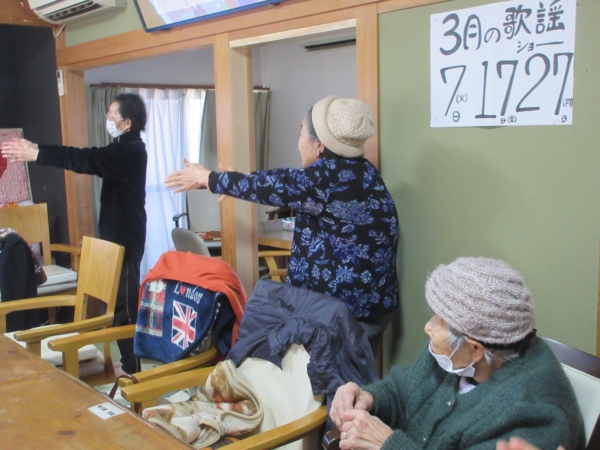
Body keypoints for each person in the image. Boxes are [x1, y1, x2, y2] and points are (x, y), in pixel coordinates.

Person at [164, 96, 399, 351]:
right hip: (371, 307)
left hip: (343, 317)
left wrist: (209, 179)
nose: (299, 141)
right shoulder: (365, 172)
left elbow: (278, 184)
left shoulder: (323, 180)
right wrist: (224, 182)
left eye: (301, 132)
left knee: (263, 334)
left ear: (319, 144)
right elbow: (277, 184)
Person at [329, 257, 585, 450]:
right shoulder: (455, 356)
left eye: (438, 322)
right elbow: (403, 391)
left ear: (475, 349)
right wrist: (370, 398)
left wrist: (388, 444)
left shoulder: (533, 418)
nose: (428, 327)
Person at [1, 93, 147, 375]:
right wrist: (37, 148)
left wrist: (38, 154)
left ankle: (134, 370)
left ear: (127, 122)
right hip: (115, 239)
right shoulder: (121, 147)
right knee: (119, 306)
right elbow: (84, 154)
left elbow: (85, 159)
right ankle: (129, 365)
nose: (108, 120)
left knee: (125, 309)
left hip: (127, 240)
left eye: (112, 116)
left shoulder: (131, 151)